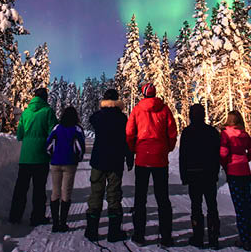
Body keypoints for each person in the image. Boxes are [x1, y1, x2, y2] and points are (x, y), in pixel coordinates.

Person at [126, 83, 178, 247]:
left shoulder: (137, 109)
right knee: (163, 198)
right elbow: (172, 132)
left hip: (142, 158)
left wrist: (135, 149)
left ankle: (139, 235)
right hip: (160, 159)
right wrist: (166, 149)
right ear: (155, 93)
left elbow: (129, 133)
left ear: (143, 94)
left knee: (140, 198)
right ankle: (166, 237)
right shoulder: (164, 109)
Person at [85, 89, 134, 243]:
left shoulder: (98, 116)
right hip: (115, 161)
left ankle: (92, 231)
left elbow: (91, 119)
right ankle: (114, 233)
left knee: (96, 194)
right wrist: (129, 157)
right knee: (114, 195)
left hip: (98, 160)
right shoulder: (122, 118)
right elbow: (127, 139)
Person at [9, 88, 58, 225]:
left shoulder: (26, 113)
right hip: (41, 156)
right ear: (45, 98)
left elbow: (19, 135)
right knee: (39, 189)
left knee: (21, 187)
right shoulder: (48, 112)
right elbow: (53, 133)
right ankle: (37, 217)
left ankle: (15, 216)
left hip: (25, 157)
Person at [179, 104, 221, 249]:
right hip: (209, 174)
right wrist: (216, 173)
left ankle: (198, 237)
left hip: (193, 174)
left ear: (191, 115)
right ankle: (214, 238)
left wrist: (184, 175)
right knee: (212, 206)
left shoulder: (187, 132)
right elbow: (217, 155)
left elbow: (182, 156)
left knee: (196, 207)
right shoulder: (212, 132)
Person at [220, 110, 251, 251]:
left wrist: (225, 164)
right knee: (247, 205)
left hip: (233, 172)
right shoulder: (244, 134)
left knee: (239, 206)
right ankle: (249, 237)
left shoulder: (225, 134)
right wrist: (244, 160)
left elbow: (223, 153)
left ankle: (244, 239)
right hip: (245, 173)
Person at [46, 106, 86, 232]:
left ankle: (55, 223)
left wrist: (51, 155)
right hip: (70, 163)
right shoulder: (77, 129)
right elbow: (81, 147)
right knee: (66, 192)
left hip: (55, 162)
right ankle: (62, 223)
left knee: (55, 191)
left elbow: (48, 143)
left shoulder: (57, 127)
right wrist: (78, 158)